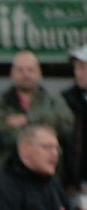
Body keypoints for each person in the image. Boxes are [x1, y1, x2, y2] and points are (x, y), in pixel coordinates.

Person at [0, 51, 72, 183]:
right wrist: (41, 131)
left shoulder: (54, 102)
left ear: (39, 73)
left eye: (30, 70)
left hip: (47, 181)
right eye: (20, 70)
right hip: (6, 178)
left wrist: (27, 120)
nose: (25, 74)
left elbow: (66, 126)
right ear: (12, 73)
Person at [61, 44, 87, 193]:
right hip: (73, 186)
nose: (79, 73)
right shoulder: (65, 100)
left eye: (83, 68)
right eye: (77, 68)